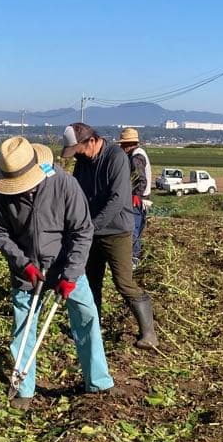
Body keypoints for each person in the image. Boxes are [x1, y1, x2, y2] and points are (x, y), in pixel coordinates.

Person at [0, 135, 113, 407]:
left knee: (87, 317)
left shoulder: (64, 184)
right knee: (23, 327)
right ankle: (23, 389)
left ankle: (98, 382)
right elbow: (1, 233)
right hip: (27, 271)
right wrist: (24, 264)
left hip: (66, 265)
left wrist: (70, 275)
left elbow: (82, 231)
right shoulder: (2, 193)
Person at [61, 123, 158, 350]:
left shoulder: (115, 157)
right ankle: (93, 329)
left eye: (80, 150)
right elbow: (76, 193)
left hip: (116, 231)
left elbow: (117, 199)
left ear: (92, 141)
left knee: (123, 282)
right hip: (90, 232)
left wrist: (91, 227)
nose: (78, 156)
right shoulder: (83, 163)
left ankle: (148, 332)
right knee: (91, 282)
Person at [117, 127, 152, 269]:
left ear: (127, 144)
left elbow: (140, 179)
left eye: (122, 144)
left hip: (138, 199)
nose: (121, 147)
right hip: (138, 197)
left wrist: (135, 195)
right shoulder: (135, 154)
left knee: (133, 228)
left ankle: (134, 259)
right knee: (133, 227)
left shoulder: (137, 157)